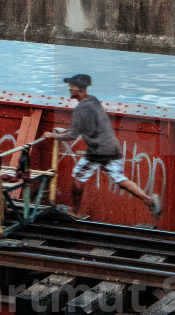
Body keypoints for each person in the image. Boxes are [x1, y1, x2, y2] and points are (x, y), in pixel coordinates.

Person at [44, 74, 162, 222]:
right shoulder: (93, 100)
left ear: (79, 90)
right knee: (120, 178)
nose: (69, 88)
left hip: (98, 151)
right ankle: (149, 200)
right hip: (112, 147)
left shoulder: (80, 109)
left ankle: (74, 211)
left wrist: (51, 135)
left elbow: (73, 135)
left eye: (72, 86)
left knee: (78, 175)